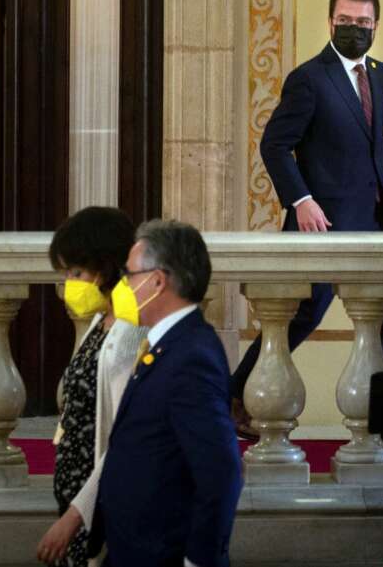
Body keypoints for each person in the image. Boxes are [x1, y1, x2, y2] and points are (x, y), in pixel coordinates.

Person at [233, 0, 383, 434]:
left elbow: (374, 138)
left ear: (375, 26)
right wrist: (301, 199)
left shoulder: (380, 73)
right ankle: (235, 398)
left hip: (371, 218)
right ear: (330, 22)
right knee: (300, 314)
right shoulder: (309, 78)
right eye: (345, 21)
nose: (354, 29)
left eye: (362, 23)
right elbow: (275, 145)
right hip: (321, 221)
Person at [89, 220, 242, 567]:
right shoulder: (168, 343)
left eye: (129, 276)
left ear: (157, 282)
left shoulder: (191, 356)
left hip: (162, 554)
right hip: (135, 547)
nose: (124, 286)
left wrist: (198, 561)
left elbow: (221, 471)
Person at [35, 208, 147, 567]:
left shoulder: (131, 331)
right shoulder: (101, 319)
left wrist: (74, 516)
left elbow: (122, 440)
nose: (69, 282)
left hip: (97, 507)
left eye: (76, 272)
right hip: (75, 496)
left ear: (106, 266)